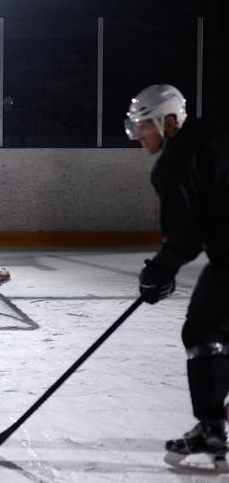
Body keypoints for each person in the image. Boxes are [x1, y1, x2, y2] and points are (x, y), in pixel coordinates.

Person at [125, 84, 229, 460]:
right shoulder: (210, 134)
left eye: (144, 126)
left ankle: (213, 430)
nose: (139, 134)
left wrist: (157, 272)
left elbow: (186, 235)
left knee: (203, 331)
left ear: (168, 122)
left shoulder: (175, 162)